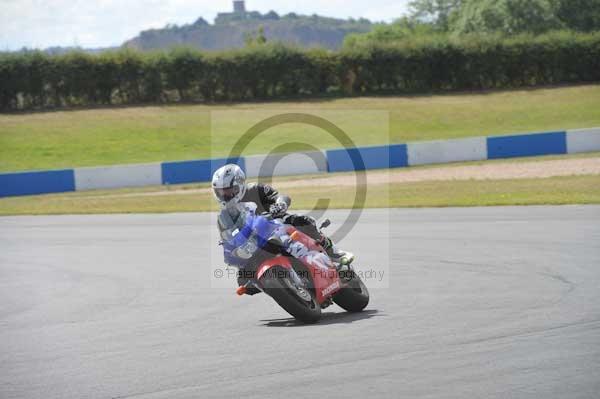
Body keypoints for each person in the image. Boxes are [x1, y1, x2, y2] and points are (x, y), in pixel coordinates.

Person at [211, 164, 354, 265]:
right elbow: (227, 238)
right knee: (241, 274)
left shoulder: (256, 189)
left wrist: (280, 204)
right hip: (253, 242)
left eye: (229, 190)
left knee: (305, 221)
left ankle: (332, 251)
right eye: (221, 192)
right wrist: (230, 247)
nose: (226, 195)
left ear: (240, 184)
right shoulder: (224, 216)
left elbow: (280, 197)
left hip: (276, 223)